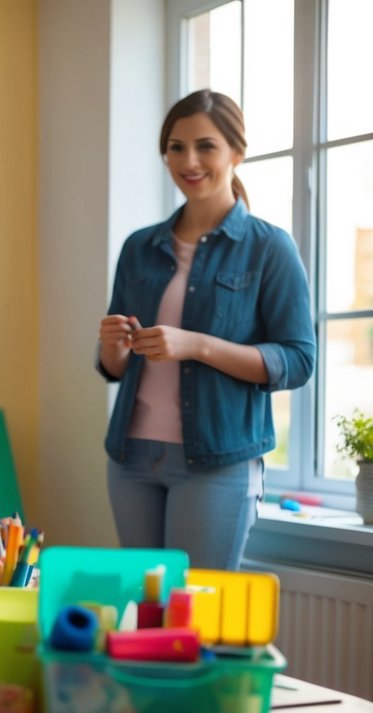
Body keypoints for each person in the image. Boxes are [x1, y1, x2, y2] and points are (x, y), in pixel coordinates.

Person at [98, 89, 315, 571]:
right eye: (176, 147)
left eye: (206, 146)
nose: (188, 160)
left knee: (195, 620)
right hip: (130, 458)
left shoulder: (270, 248)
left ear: (237, 152)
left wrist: (195, 345)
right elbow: (114, 367)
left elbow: (298, 361)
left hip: (218, 463)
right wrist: (113, 345)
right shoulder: (139, 247)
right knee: (142, 612)